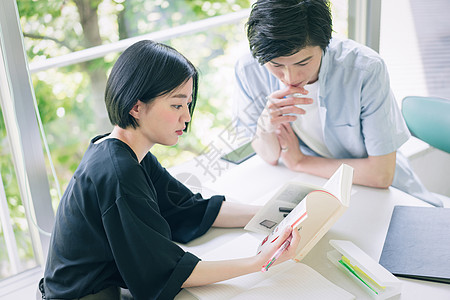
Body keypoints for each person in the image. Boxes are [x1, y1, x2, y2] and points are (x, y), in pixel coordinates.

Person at [39, 40, 301, 300]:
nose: (186, 117)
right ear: (136, 107)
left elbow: (185, 207)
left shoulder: (124, 151)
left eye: (187, 104)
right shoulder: (119, 172)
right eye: (177, 105)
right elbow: (166, 272)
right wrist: (262, 261)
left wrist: (280, 213)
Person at [233, 0, 442, 207]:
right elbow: (269, 156)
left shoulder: (365, 70)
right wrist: (266, 126)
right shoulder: (249, 69)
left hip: (388, 194)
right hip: (318, 186)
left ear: (325, 43)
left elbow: (381, 174)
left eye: (303, 62)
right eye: (276, 64)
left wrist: (301, 162)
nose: (290, 76)